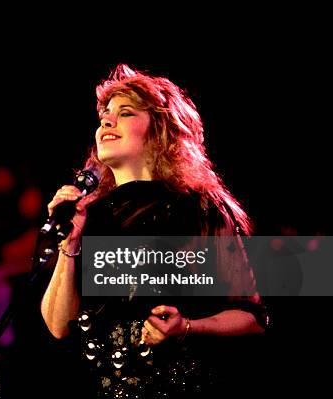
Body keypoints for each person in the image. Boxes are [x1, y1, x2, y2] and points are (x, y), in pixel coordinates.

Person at [40, 64, 268, 398]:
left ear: (160, 129)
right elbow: (58, 325)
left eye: (125, 112)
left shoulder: (199, 208)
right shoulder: (89, 217)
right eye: (104, 114)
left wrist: (187, 327)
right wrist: (70, 244)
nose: (105, 121)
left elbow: (251, 318)